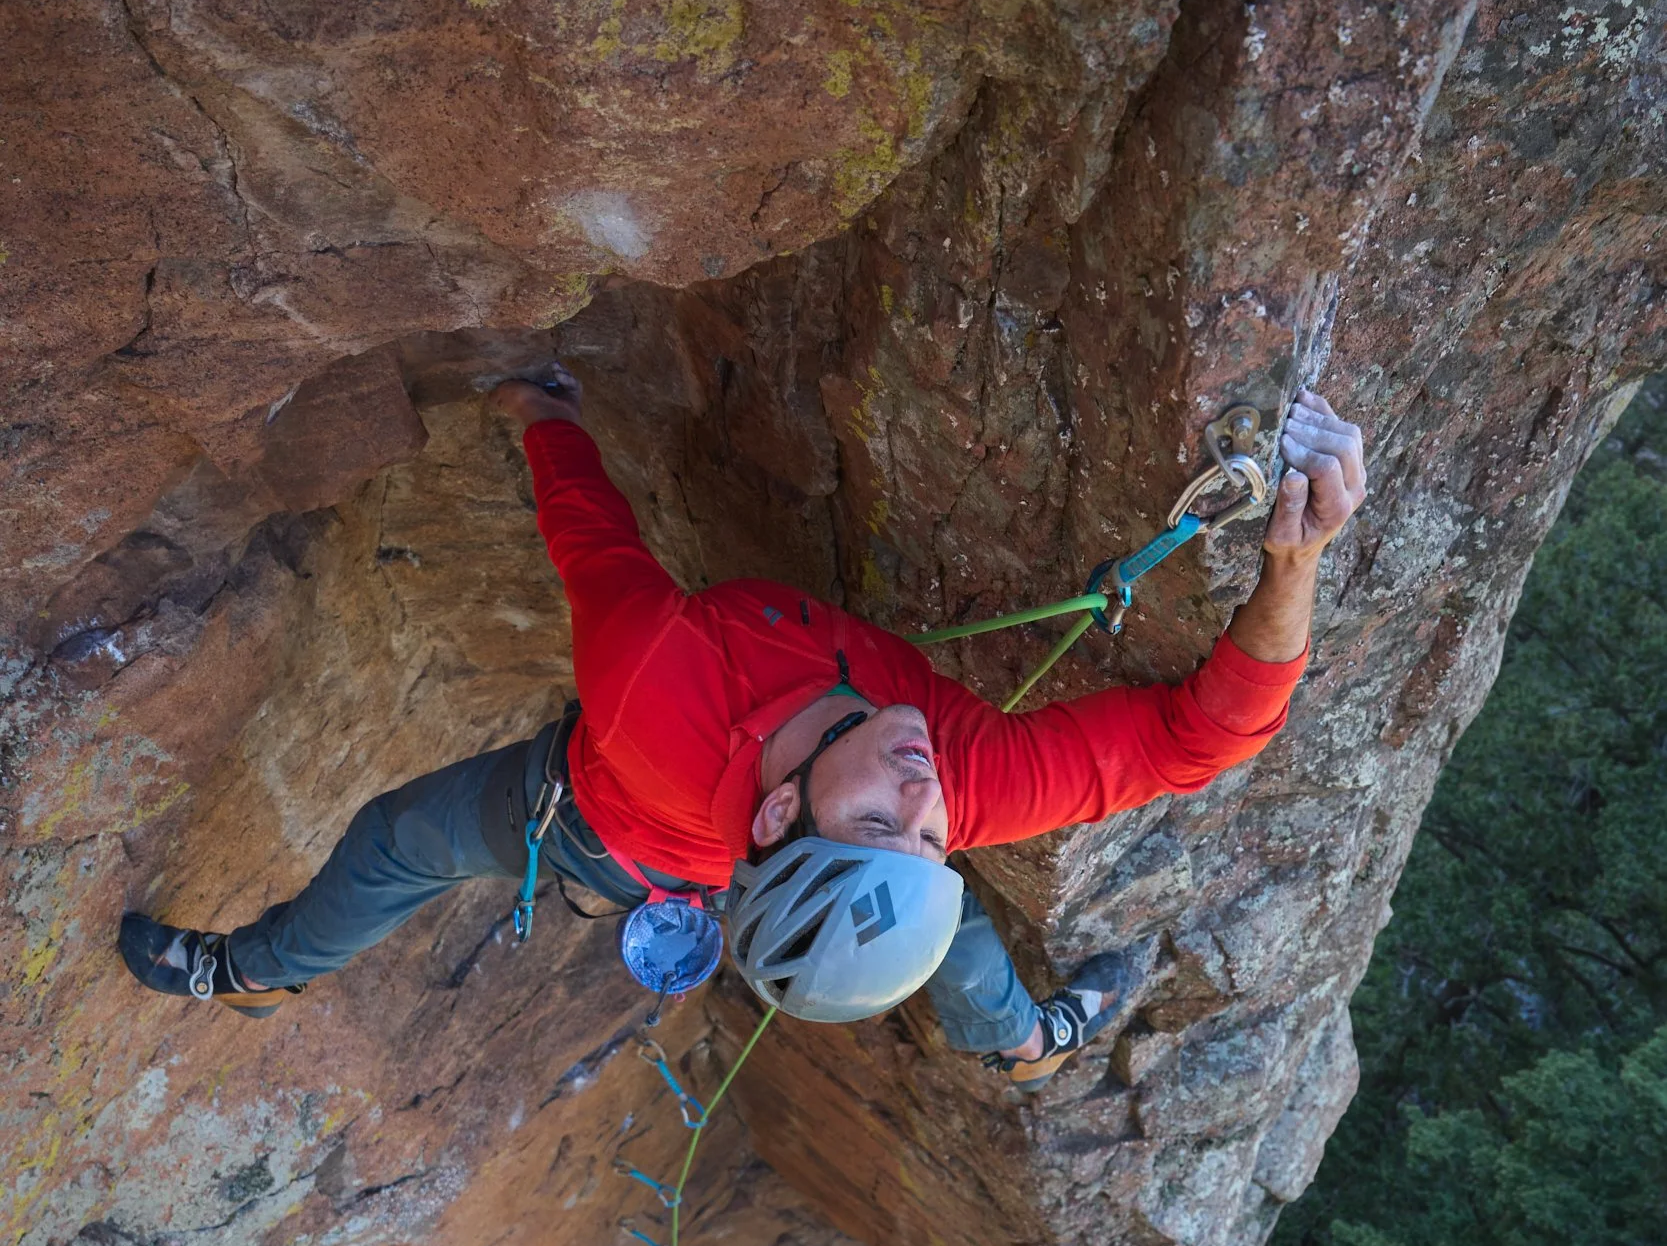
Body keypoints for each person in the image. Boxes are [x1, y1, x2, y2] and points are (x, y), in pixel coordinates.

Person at [119, 372, 1366, 1085]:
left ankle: (249, 975)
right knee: (944, 922)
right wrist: (1293, 563)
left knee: (398, 838)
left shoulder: (655, 673)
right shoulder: (956, 786)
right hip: (716, 854)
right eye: (919, 831)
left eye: (883, 815)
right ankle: (1026, 1041)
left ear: (783, 817)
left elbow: (591, 538)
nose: (927, 798)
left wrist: (543, 410)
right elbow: (1197, 741)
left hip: (597, 822)